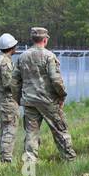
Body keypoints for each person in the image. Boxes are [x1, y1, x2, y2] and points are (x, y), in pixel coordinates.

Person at [14, 27, 76, 161]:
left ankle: (29, 169)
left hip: (29, 101)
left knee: (31, 134)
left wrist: (18, 99)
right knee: (60, 130)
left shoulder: (22, 57)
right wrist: (62, 95)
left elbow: (14, 82)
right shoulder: (49, 56)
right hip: (48, 101)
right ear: (45, 39)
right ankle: (70, 161)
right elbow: (56, 80)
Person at [0, 33, 19, 164]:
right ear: (11, 46)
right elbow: (8, 84)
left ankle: (4, 159)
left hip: (3, 99)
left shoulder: (1, 59)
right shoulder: (5, 62)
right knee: (10, 128)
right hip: (7, 100)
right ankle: (6, 160)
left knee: (5, 128)